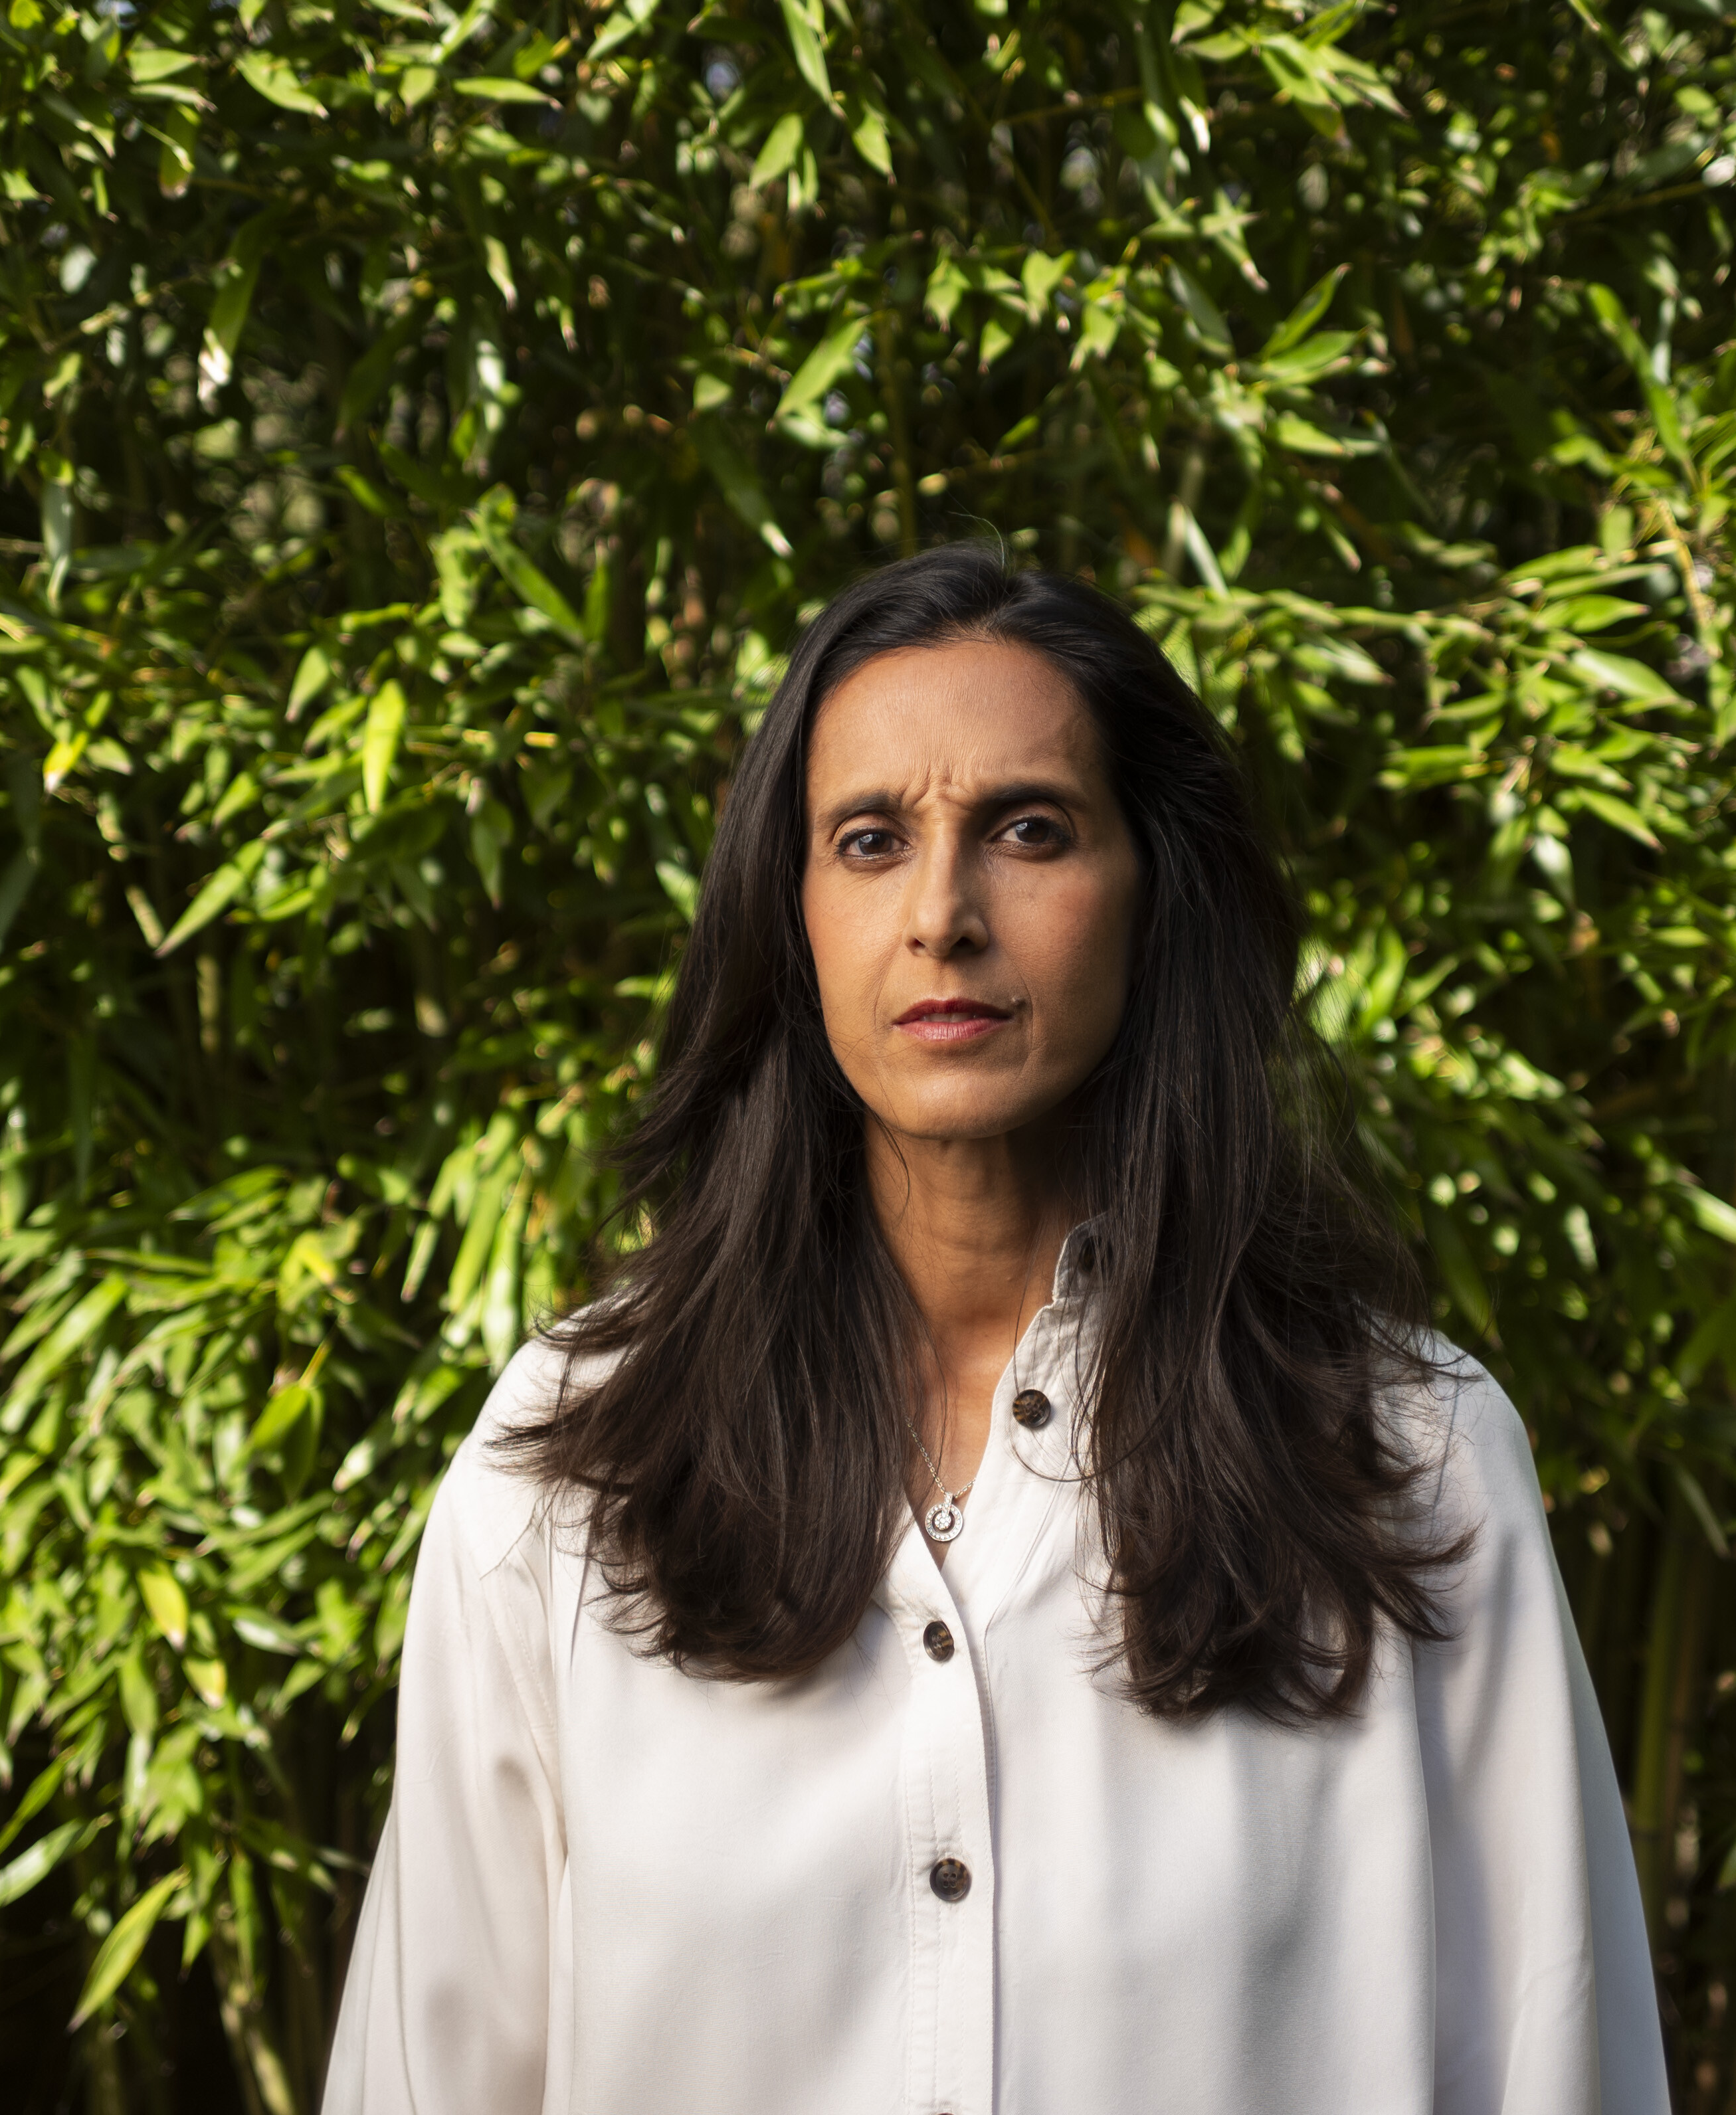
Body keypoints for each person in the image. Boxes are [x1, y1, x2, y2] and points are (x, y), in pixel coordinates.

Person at [323, 545, 1666, 2114]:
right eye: (871, 838)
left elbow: (1556, 2064)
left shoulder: (1404, 1462)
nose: (944, 913)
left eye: (1029, 829)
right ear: (792, 911)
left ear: (1154, 891)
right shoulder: (570, 1476)